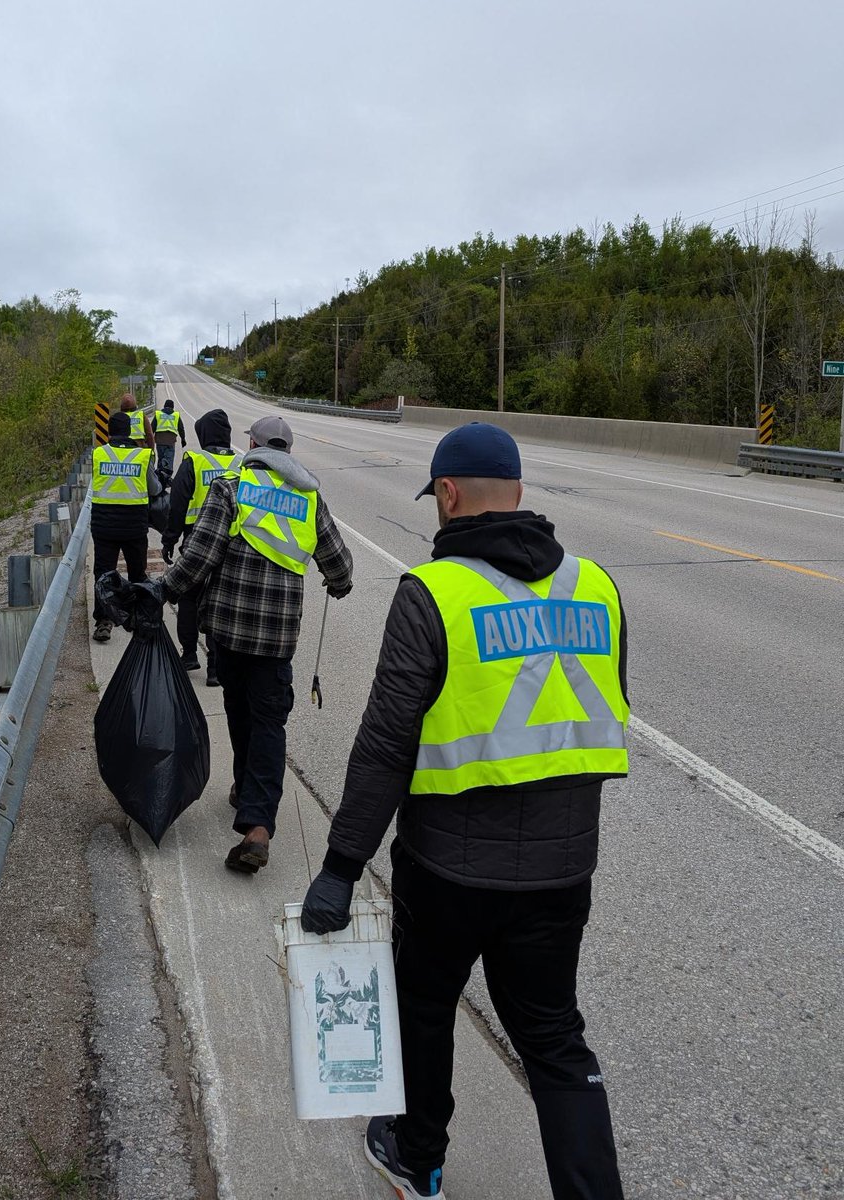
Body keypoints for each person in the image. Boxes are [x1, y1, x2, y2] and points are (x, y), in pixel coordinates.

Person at [300, 422, 630, 1200]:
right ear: (517, 493)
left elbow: (384, 748)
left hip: (448, 869)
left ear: (447, 496)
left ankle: (419, 1159)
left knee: (424, 1005)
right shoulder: (598, 586)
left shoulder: (433, 594)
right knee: (553, 1038)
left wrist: (341, 868)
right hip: (562, 869)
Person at [158, 415, 353, 872]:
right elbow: (340, 568)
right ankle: (257, 822)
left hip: (227, 630)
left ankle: (248, 798)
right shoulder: (309, 500)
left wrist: (161, 591)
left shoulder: (231, 488)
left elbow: (198, 559)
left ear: (253, 445)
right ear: (288, 450)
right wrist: (337, 584)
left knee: (238, 709)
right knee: (269, 722)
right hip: (278, 637)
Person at [161, 408, 239, 684]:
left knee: (189, 597)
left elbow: (178, 504)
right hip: (230, 542)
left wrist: (169, 538)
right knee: (219, 602)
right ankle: (216, 668)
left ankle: (190, 654)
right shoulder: (242, 464)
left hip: (197, 538)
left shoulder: (194, 460)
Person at [90, 410, 162, 642]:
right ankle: (140, 618)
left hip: (104, 526)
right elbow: (155, 489)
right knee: (138, 573)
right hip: (134, 526)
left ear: (109, 432)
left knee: (103, 574)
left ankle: (103, 622)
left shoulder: (99, 454)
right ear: (129, 431)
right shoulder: (142, 456)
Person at [152, 397, 187, 484]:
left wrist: (148, 440)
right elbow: (181, 428)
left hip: (159, 441)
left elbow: (152, 427)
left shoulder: (158, 414)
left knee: (161, 459)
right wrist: (183, 439)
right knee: (169, 460)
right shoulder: (175, 415)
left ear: (164, 406)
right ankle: (167, 478)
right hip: (170, 442)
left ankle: (159, 478)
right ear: (172, 407)